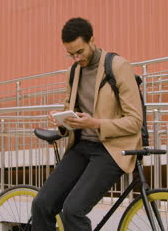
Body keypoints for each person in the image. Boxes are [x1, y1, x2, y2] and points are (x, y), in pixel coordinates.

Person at [31, 17, 144, 230]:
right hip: (81, 146)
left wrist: (96, 123)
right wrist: (62, 121)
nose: (75, 58)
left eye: (79, 51)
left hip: (112, 149)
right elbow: (71, 108)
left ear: (92, 40)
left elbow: (135, 121)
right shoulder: (74, 72)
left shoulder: (118, 66)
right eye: (70, 54)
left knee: (73, 211)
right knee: (41, 204)